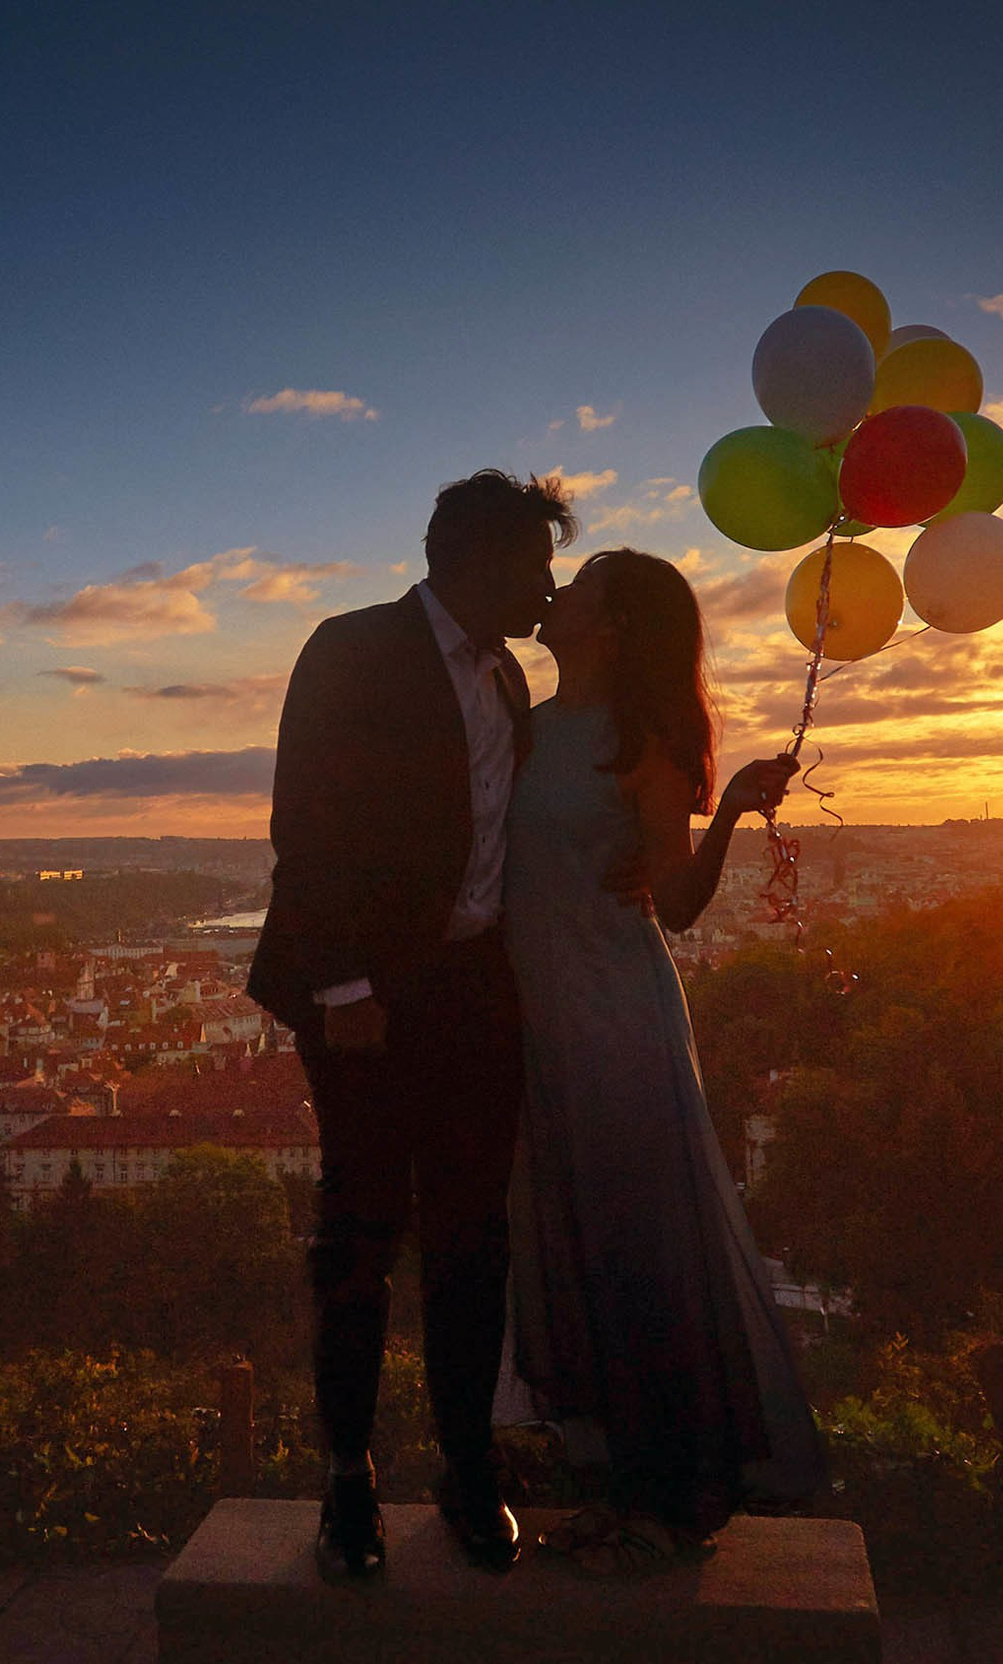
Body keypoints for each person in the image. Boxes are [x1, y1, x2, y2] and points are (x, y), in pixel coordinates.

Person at [247, 469, 578, 1579]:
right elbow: (309, 816)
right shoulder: (352, 648)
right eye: (535, 563)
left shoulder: (511, 681)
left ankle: (466, 1467)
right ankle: (349, 1477)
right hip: (369, 999)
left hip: (473, 988)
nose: (547, 583)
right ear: (476, 560)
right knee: (359, 1236)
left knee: (471, 1240)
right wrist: (342, 987)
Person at [500, 547, 827, 1573]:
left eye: (582, 582)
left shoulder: (637, 743)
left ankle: (673, 1494)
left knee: (642, 1252)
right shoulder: (518, 724)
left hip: (616, 1016)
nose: (556, 591)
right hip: (539, 1022)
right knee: (587, 1250)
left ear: (611, 624)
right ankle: (624, 1488)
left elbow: (676, 907)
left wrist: (726, 807)